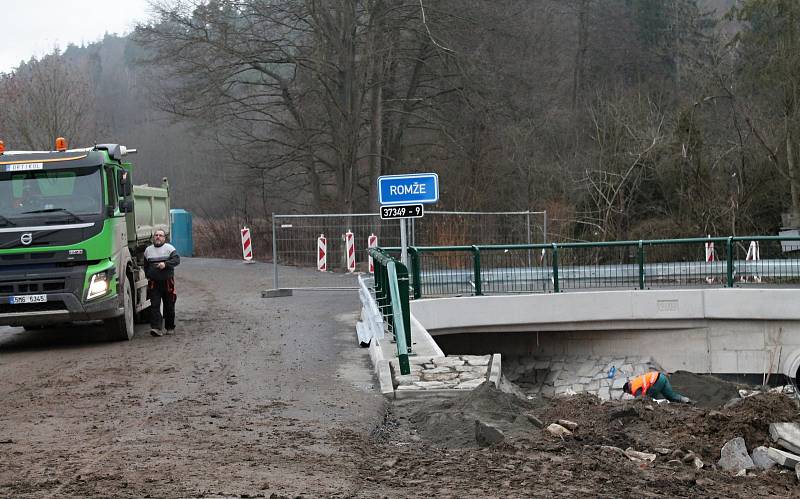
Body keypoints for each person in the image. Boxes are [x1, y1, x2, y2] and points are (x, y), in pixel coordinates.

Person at [144, 229, 180, 337]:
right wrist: (148, 275)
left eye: (160, 235)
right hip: (154, 283)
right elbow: (145, 266)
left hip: (167, 282)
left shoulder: (169, 248)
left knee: (169, 305)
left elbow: (177, 260)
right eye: (156, 235)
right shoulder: (148, 250)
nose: (158, 237)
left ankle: (169, 327)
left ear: (164, 238)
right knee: (154, 305)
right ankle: (156, 328)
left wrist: (166, 264)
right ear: (153, 238)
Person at [623, 371, 693, 404]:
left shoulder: (634, 388)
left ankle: (664, 406)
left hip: (656, 381)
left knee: (650, 399)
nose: (629, 394)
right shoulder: (636, 381)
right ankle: (686, 400)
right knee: (671, 395)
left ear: (627, 389)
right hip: (661, 377)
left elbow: (640, 398)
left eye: (627, 393)